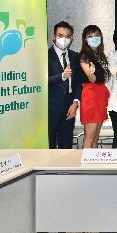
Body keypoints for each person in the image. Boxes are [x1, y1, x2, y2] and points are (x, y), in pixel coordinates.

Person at [48, 21, 82, 149]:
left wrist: (75, 102)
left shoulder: (75, 56)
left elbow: (79, 82)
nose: (64, 39)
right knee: (49, 144)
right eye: (60, 35)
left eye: (67, 36)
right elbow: (41, 82)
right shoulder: (45, 56)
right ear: (54, 37)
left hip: (69, 108)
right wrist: (61, 76)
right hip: (50, 109)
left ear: (71, 38)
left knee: (66, 144)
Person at [77, 25, 111, 149]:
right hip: (91, 94)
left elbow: (104, 77)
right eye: (90, 36)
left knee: (96, 135)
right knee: (90, 137)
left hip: (100, 94)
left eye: (96, 35)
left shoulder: (100, 55)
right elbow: (92, 79)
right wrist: (91, 72)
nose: (94, 38)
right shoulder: (84, 56)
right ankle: (86, 167)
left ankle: (95, 164)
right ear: (85, 39)